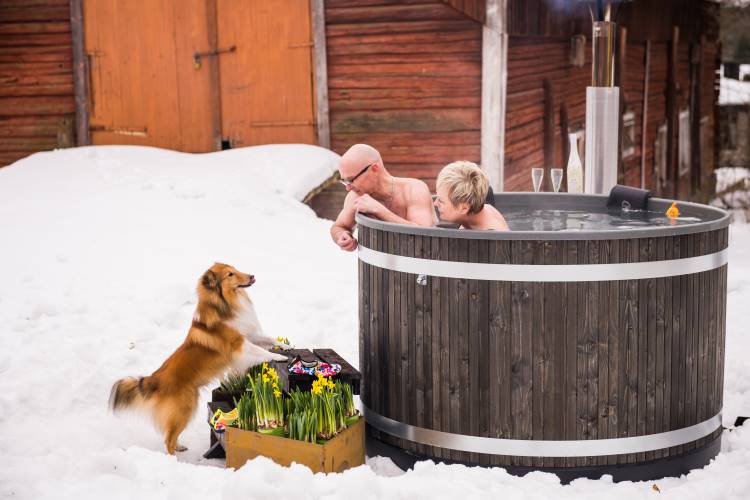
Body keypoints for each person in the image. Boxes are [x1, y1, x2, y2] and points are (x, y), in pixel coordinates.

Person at [330, 144, 435, 251]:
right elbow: (338, 226)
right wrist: (343, 236)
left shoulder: (413, 189)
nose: (348, 187)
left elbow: (425, 236)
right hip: (378, 265)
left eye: (351, 179)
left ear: (374, 169)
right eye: (344, 181)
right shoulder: (355, 196)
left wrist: (380, 211)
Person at [433, 161, 510, 231]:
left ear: (464, 208)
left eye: (441, 201)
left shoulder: (489, 236)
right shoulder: (477, 213)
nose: (435, 203)